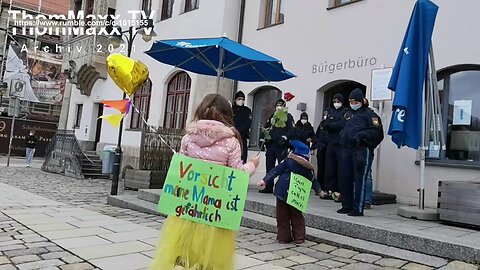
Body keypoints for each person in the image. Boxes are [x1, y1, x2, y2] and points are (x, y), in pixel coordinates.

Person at [150, 94, 260, 270]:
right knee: (209, 261)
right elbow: (237, 176)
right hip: (214, 212)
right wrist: (252, 165)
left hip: (186, 209)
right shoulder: (231, 141)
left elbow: (182, 169)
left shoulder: (187, 138)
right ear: (227, 114)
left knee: (181, 256)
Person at [337, 89, 384, 216]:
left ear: (361, 101)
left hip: (361, 150)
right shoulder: (348, 114)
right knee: (345, 178)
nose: (353, 103)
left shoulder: (370, 115)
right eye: (351, 101)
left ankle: (358, 208)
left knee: (359, 180)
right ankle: (346, 205)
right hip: (347, 149)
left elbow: (377, 133)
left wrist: (362, 137)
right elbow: (343, 128)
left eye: (355, 101)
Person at [257, 140, 314, 244]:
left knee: (282, 216)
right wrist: (320, 191)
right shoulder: (308, 169)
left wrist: (264, 180)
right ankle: (299, 237)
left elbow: (275, 170)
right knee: (297, 215)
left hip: (282, 192)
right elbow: (313, 180)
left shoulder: (287, 161)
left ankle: (283, 237)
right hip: (297, 194)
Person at [260, 99, 294, 194]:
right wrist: (263, 139)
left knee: (282, 167)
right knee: (269, 166)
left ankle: (282, 187)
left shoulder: (288, 117)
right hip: (271, 145)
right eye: (277, 105)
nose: (279, 107)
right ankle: (268, 186)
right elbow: (266, 128)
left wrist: (284, 138)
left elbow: (291, 130)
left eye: (281, 105)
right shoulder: (273, 116)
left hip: (281, 145)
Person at [323, 93, 348, 201]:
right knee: (329, 167)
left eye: (338, 101)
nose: (336, 103)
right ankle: (329, 189)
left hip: (341, 144)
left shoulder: (345, 112)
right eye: (334, 101)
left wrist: (331, 125)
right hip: (331, 143)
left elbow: (342, 125)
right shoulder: (329, 111)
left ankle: (339, 190)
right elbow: (325, 124)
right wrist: (332, 125)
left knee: (340, 168)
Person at [233, 91, 252, 163]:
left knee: (243, 156)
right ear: (235, 99)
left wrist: (239, 130)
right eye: (239, 98)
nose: (241, 100)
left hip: (243, 136)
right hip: (232, 135)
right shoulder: (231, 109)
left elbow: (248, 122)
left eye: (242, 99)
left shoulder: (247, 110)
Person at [311, 119, 329, 197]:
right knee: (320, 168)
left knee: (328, 169)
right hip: (321, 147)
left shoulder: (333, 124)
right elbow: (317, 136)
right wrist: (313, 147)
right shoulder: (322, 123)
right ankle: (319, 188)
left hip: (329, 148)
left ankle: (326, 188)